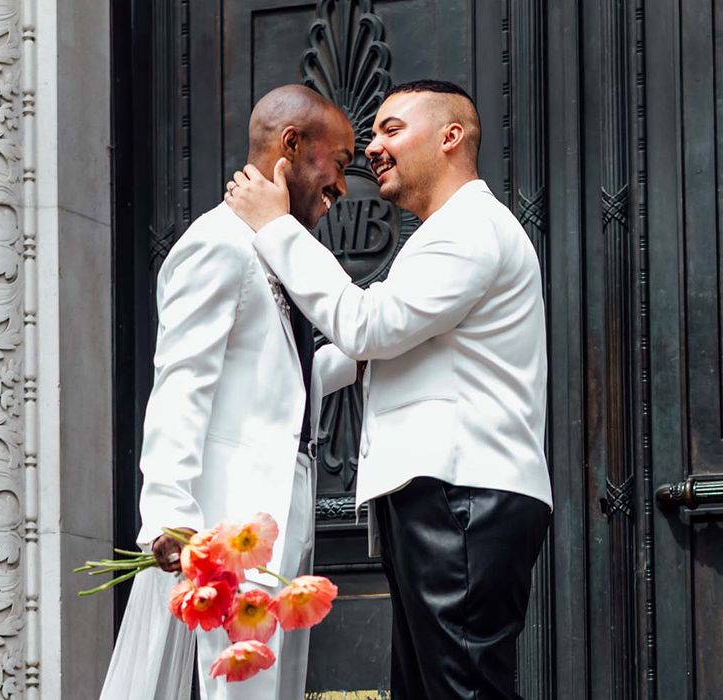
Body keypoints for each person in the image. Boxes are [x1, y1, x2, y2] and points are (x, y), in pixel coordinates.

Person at [225, 79, 553, 700]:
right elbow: (362, 351)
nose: (373, 148)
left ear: (451, 136)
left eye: (391, 129)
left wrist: (275, 228)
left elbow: (369, 326)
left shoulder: (470, 230)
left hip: (462, 496)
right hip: (448, 496)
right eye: (372, 135)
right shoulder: (445, 235)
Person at [100, 84, 358, 700]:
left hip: (285, 510)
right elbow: (181, 381)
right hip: (229, 516)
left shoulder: (277, 247)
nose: (343, 187)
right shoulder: (216, 242)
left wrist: (374, 346)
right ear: (292, 146)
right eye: (340, 164)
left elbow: (286, 383)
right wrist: (168, 513)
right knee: (239, 688)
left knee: (275, 686)